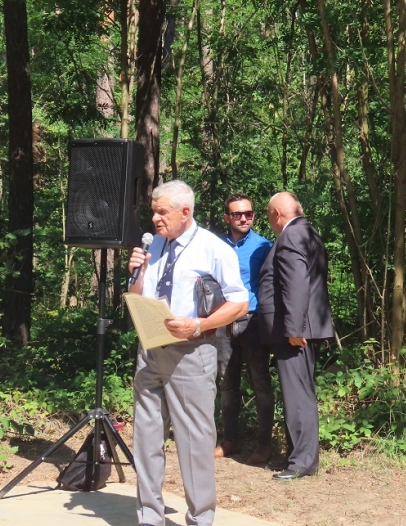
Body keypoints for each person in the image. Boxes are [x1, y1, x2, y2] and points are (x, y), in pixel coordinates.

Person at [127, 180, 249, 526]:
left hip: (191, 353)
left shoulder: (213, 248)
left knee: (195, 441)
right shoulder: (153, 245)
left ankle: (200, 518)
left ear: (185, 212)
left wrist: (198, 324)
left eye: (161, 212)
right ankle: (149, 517)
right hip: (150, 350)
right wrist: (138, 272)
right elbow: (136, 294)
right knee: (146, 437)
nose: (155, 218)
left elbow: (240, 303)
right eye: (153, 211)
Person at [257, 191, 334, 480]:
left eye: (269, 217)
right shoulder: (309, 232)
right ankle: (297, 455)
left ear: (276, 214)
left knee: (298, 395)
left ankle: (302, 462)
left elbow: (296, 285)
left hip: (296, 331)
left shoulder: (290, 236)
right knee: (298, 393)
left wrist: (294, 328)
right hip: (304, 327)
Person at [214, 194, 274, 465]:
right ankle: (230, 440)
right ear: (227, 217)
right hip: (223, 321)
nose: (243, 219)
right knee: (227, 384)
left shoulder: (265, 246)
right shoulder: (216, 246)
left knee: (261, 384)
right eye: (237, 214)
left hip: (253, 321)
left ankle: (264, 445)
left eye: (248, 214)